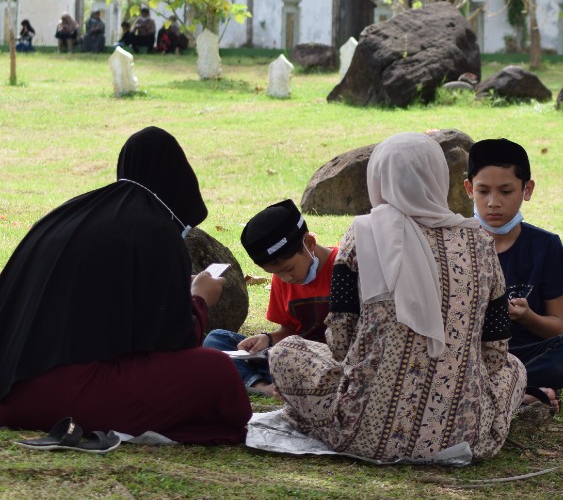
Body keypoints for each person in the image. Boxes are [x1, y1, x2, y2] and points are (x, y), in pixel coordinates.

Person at [268, 132, 526, 462]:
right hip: (465, 437)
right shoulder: (480, 243)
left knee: (286, 351)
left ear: (377, 177)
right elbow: (495, 352)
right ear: (439, 177)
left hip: (364, 435)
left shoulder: (362, 235)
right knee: (514, 368)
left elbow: (341, 342)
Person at [0, 126, 252, 444]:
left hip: (9, 388)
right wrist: (198, 300)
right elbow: (171, 346)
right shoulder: (155, 228)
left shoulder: (69, 213)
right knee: (218, 372)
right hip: (66, 394)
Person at [464, 138, 563, 410]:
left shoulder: (545, 246)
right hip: (471, 355)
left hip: (524, 357)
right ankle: (522, 393)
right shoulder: (455, 244)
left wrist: (528, 317)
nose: (493, 203)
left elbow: (557, 328)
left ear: (527, 189)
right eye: (483, 191)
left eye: (506, 191)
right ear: (468, 189)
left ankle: (508, 388)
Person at [203, 199, 338, 397]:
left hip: (331, 360)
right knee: (216, 340)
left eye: (288, 269)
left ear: (309, 243)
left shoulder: (343, 267)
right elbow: (289, 330)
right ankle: (262, 386)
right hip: (290, 358)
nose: (286, 279)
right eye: (277, 274)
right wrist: (266, 339)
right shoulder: (283, 279)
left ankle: (270, 380)